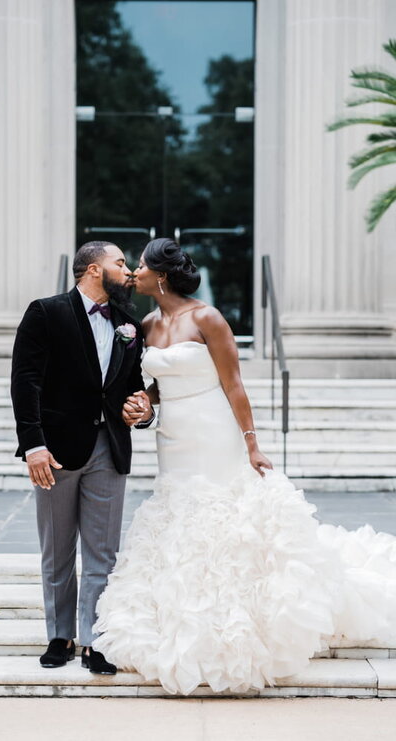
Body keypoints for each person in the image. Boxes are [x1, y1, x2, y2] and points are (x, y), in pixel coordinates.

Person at [94, 237, 396, 694]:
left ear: (161, 275)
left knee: (222, 513)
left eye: (139, 265)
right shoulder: (148, 324)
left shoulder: (207, 318)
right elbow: (155, 384)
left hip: (213, 428)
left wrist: (252, 444)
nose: (133, 273)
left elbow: (234, 385)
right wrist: (143, 401)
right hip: (172, 436)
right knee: (178, 515)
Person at [10, 241, 154, 675]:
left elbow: (132, 386)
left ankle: (94, 641)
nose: (128, 271)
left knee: (102, 552)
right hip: (54, 451)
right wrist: (33, 445)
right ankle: (60, 635)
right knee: (56, 548)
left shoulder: (130, 323)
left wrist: (143, 411)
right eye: (120, 263)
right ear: (93, 269)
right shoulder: (45, 312)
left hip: (109, 448)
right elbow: (25, 381)